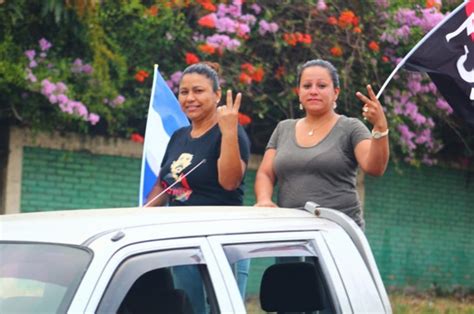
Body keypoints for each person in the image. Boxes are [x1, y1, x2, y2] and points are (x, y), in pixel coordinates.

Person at [146, 62, 251, 311]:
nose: (190, 98)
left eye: (198, 91)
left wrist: (228, 132)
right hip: (182, 241)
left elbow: (230, 182)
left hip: (222, 243)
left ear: (216, 95)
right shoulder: (179, 136)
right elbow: (164, 185)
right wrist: (137, 218)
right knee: (189, 309)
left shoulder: (230, 132)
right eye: (184, 92)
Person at [254, 59, 389, 229]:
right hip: (291, 230)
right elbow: (265, 173)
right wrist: (264, 199)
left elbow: (375, 168)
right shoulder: (283, 128)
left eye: (322, 86)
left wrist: (380, 127)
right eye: (307, 86)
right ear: (299, 92)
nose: (313, 91)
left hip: (337, 232)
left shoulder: (350, 127)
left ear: (336, 92)